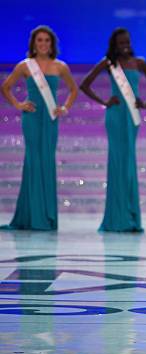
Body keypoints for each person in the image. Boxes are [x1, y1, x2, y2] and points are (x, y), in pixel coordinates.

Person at [80, 28, 146, 232]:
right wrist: (104, 102)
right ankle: (117, 217)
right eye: (120, 42)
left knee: (129, 163)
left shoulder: (139, 63)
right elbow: (85, 85)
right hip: (115, 116)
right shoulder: (109, 63)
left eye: (126, 41)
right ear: (114, 44)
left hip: (132, 117)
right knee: (117, 163)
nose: (124, 45)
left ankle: (130, 215)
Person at [0, 25, 78, 231]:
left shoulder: (60, 67)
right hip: (32, 117)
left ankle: (46, 215)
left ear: (52, 44)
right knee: (33, 161)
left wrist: (65, 108)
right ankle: (32, 216)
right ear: (33, 44)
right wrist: (18, 104)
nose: (43, 44)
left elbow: (73, 89)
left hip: (51, 118)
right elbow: (5, 87)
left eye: (47, 40)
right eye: (39, 40)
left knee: (46, 161)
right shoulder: (25, 66)